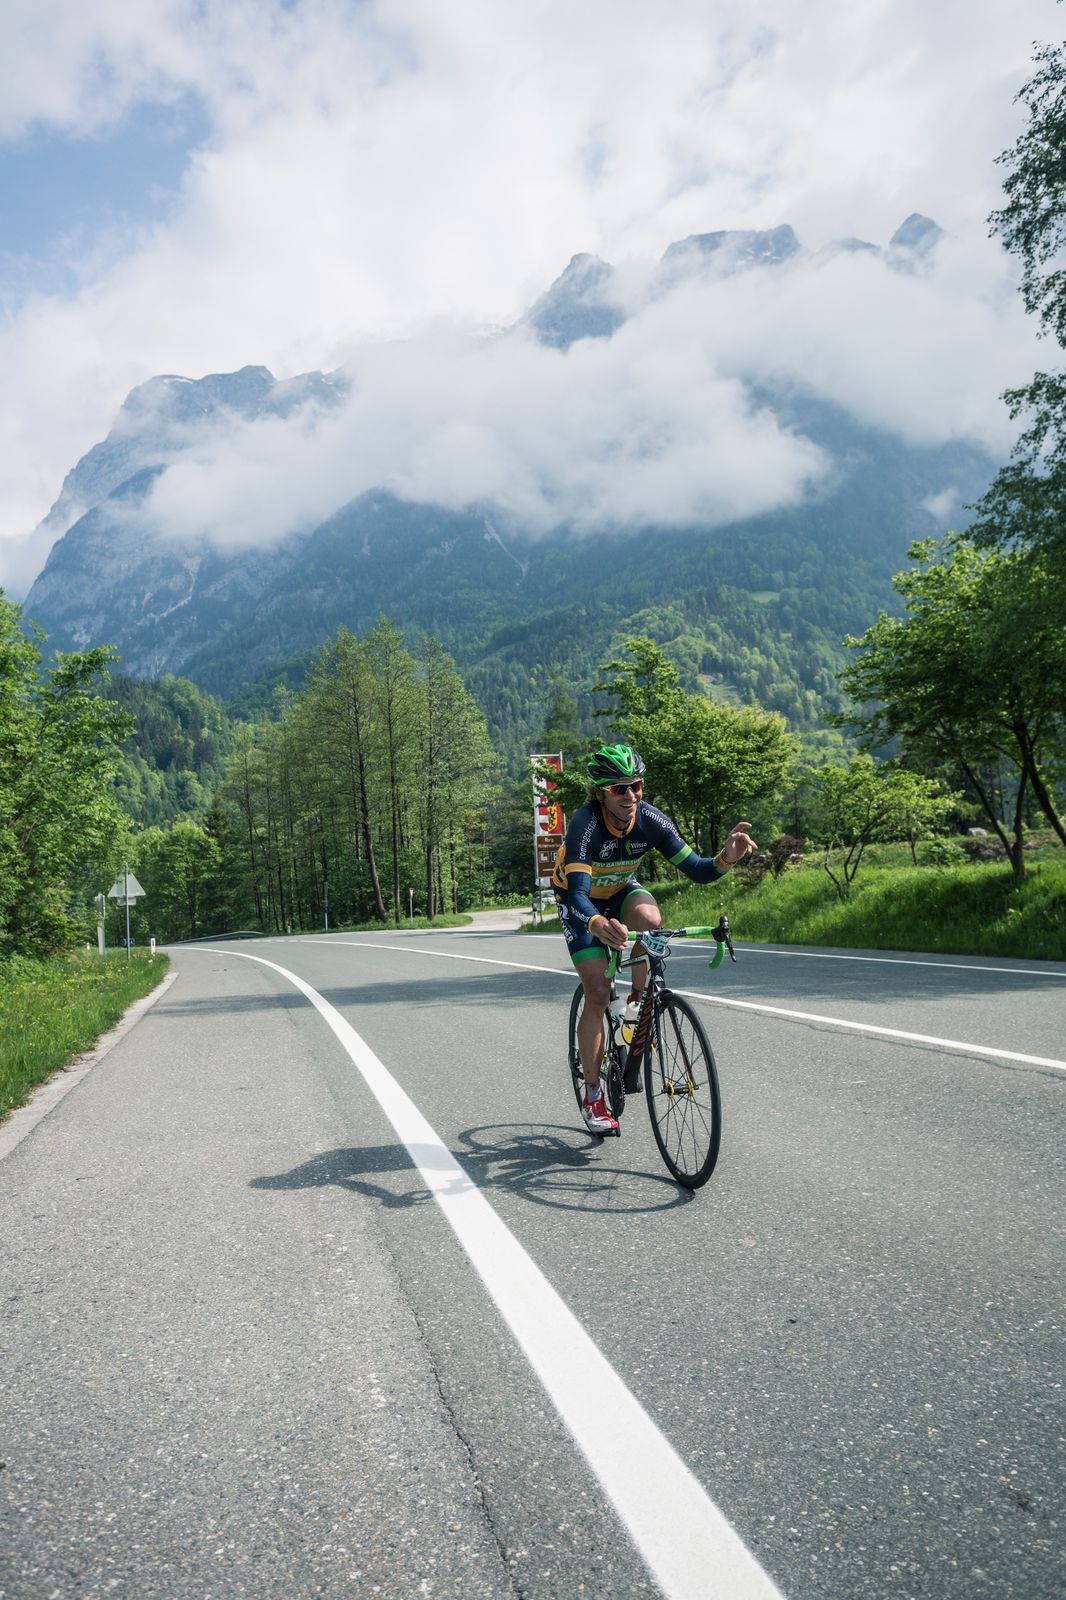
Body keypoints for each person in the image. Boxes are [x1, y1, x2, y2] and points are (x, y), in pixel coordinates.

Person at [552, 743, 755, 1134]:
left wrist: (726, 858)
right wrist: (596, 924)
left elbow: (698, 869)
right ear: (600, 793)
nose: (630, 796)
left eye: (637, 785)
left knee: (651, 918)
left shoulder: (650, 820)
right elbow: (578, 893)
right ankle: (593, 1094)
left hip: (621, 889)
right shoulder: (585, 824)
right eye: (619, 789)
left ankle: (637, 1007)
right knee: (596, 992)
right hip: (580, 902)